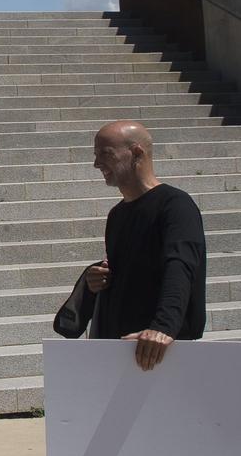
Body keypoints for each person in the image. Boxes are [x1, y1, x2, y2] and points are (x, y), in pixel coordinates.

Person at [83, 119, 207, 371]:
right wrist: (99, 279)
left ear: (136, 152)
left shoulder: (176, 206)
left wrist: (163, 327)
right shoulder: (117, 214)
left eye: (105, 154)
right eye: (96, 156)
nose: (97, 164)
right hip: (122, 346)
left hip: (159, 351)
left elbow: (180, 266)